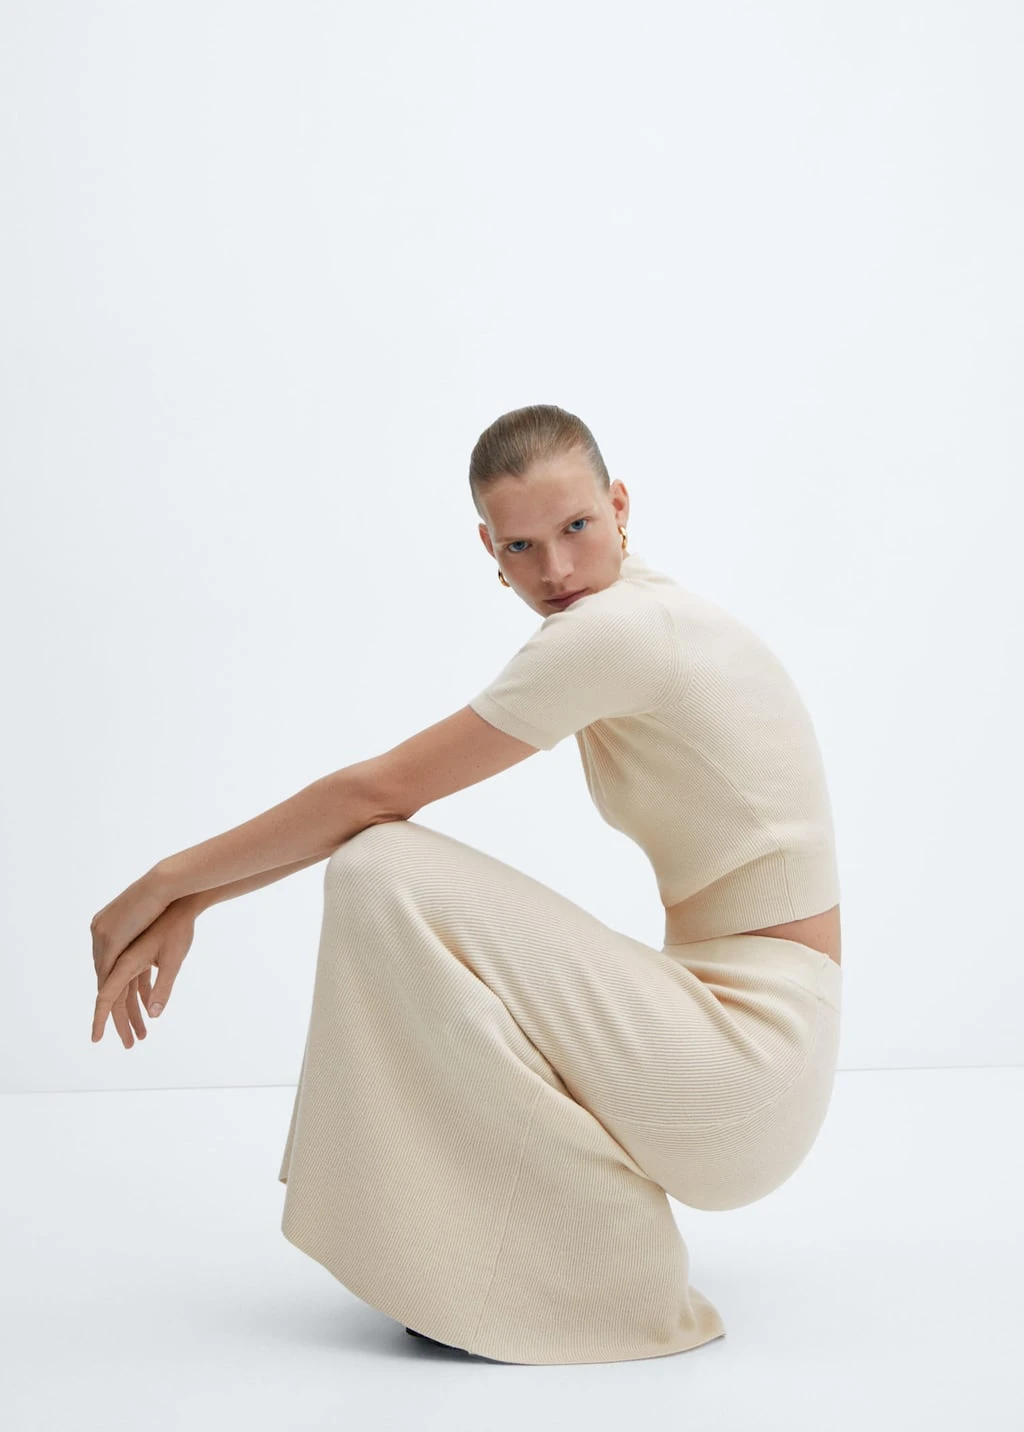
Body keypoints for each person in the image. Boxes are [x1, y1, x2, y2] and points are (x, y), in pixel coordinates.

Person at [273, 403, 844, 1366]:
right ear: (490, 552)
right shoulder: (641, 614)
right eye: (523, 547)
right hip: (745, 1051)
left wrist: (171, 890)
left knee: (380, 865)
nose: (558, 571)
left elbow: (373, 794)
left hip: (746, 1062)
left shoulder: (618, 630)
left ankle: (600, 1279)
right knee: (399, 902)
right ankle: (483, 1258)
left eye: (577, 526)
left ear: (619, 505)